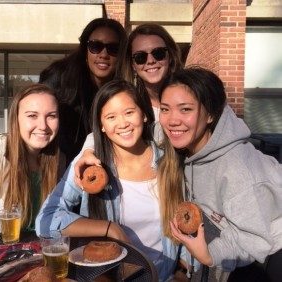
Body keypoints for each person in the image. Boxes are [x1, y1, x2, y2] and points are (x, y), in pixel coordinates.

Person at [36, 80, 197, 281]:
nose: (122, 123)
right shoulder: (89, 164)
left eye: (129, 112)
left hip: (163, 276)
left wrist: (185, 268)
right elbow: (46, 220)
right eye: (111, 117)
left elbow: (187, 219)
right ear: (101, 126)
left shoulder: (170, 161)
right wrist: (109, 228)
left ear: (144, 115)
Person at [156, 67, 282, 281]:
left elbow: (254, 239)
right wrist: (91, 147)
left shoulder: (237, 168)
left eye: (185, 109)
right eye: (165, 109)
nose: (172, 120)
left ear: (211, 114)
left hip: (267, 260)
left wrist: (209, 254)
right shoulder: (189, 142)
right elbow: (146, 129)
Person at [75, 23, 182, 172]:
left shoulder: (191, 93)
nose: (150, 61)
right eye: (140, 57)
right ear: (132, 64)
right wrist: (88, 150)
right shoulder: (131, 100)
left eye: (158, 53)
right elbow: (107, 128)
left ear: (170, 56)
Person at [39, 18, 127, 164]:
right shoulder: (59, 79)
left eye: (113, 48)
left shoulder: (123, 88)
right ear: (85, 50)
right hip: (57, 167)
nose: (103, 54)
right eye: (95, 46)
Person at [0, 83, 65, 233]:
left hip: (41, 252)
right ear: (15, 119)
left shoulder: (58, 160)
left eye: (51, 116)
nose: (43, 125)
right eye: (32, 116)